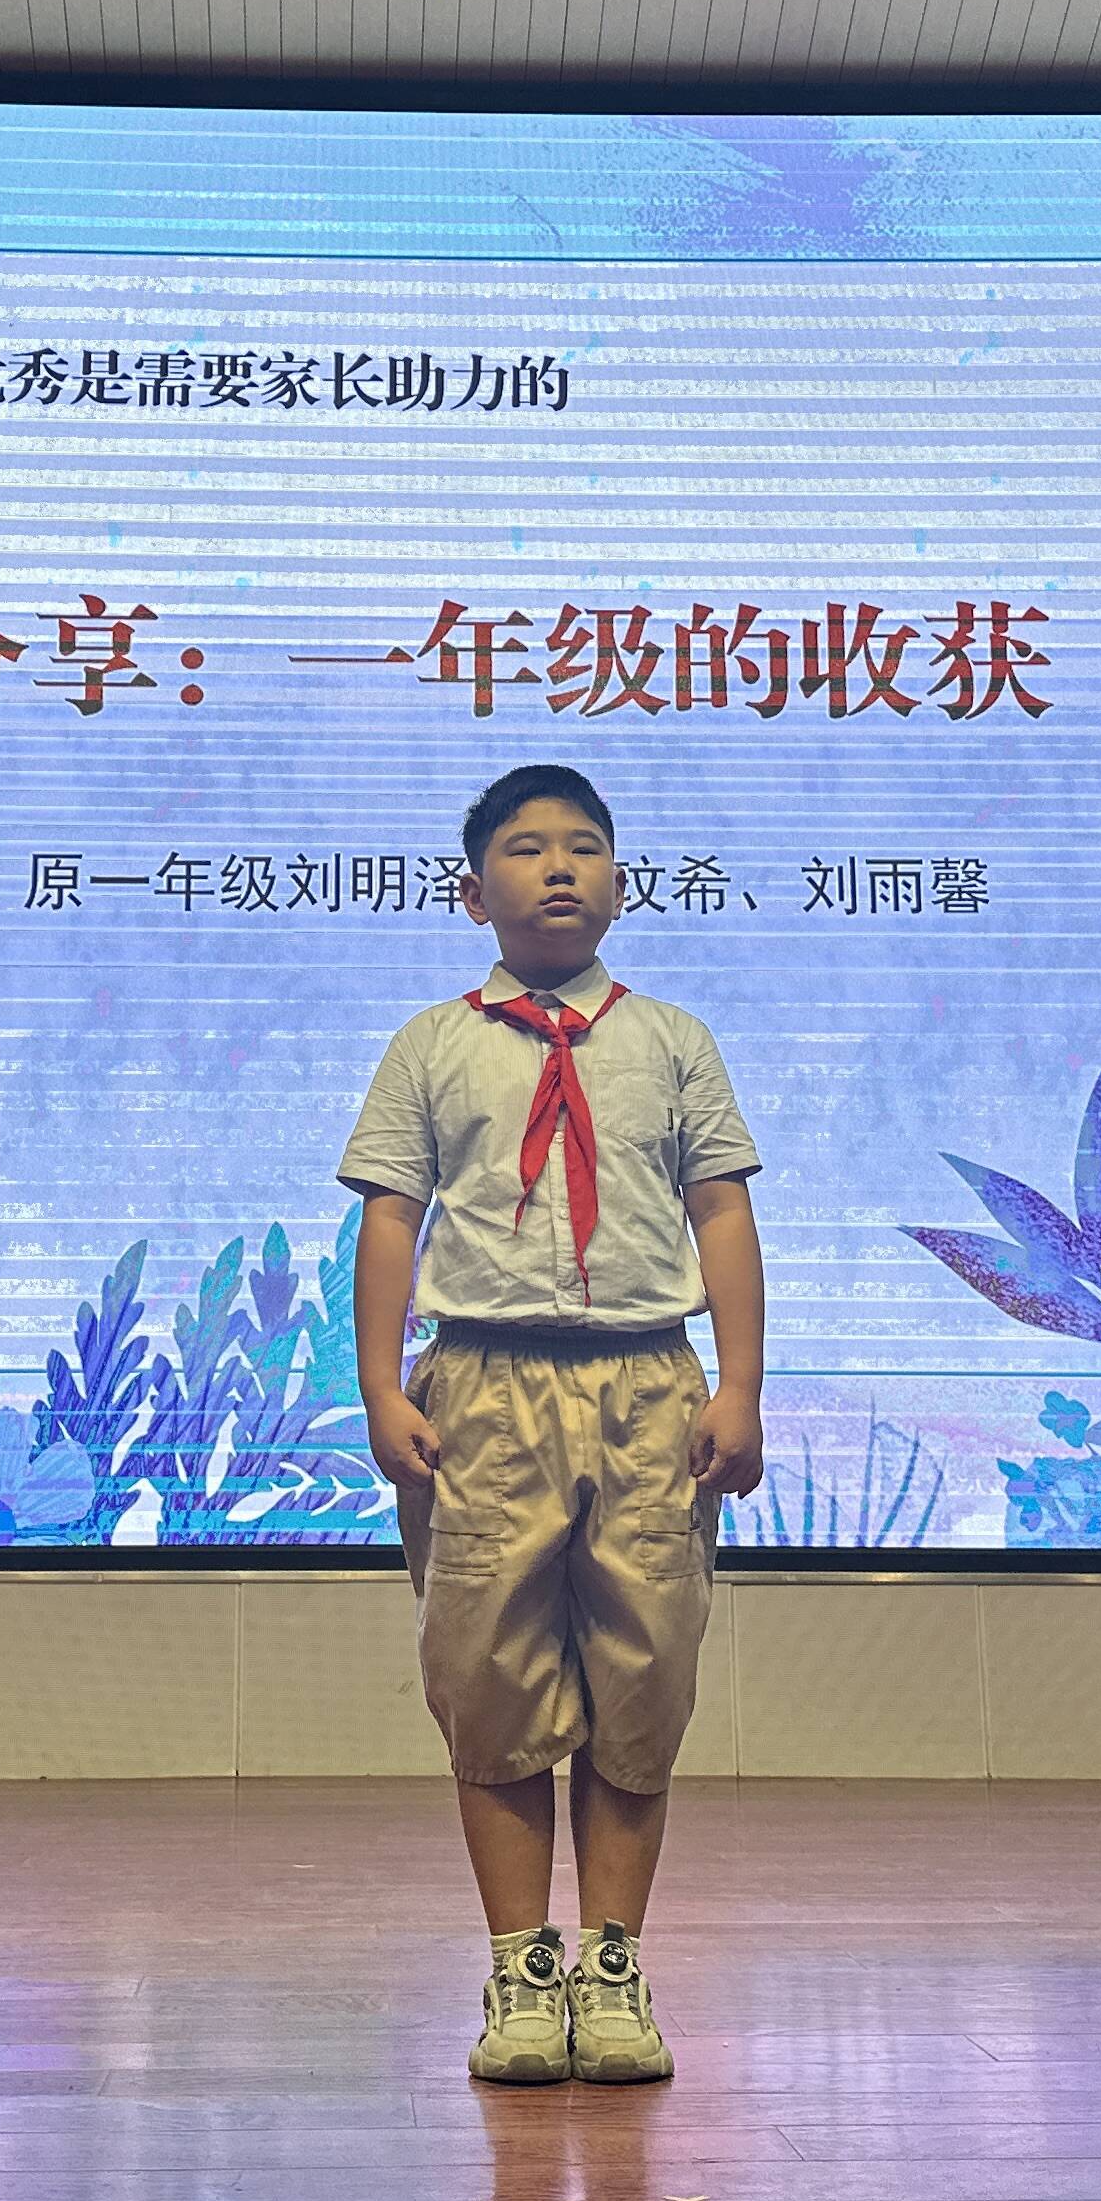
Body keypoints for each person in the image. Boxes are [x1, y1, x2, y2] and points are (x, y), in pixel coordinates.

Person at [340, 762, 768, 2087]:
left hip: (648, 1385)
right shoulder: (433, 1043)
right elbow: (392, 1218)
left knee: (644, 1675)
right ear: (475, 893)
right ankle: (523, 1970)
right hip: (483, 1388)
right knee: (491, 1682)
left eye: (585, 846)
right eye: (526, 849)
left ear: (622, 884)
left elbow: (721, 1212)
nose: (559, 867)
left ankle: (615, 1968)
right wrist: (381, 1388)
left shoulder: (672, 1040)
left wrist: (740, 1386)